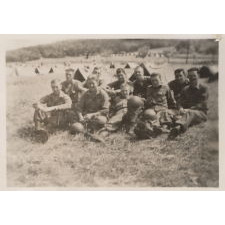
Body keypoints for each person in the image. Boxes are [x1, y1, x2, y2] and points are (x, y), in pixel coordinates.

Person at [168, 68, 209, 140]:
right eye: (189, 76)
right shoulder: (185, 89)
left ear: (198, 75)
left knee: (189, 113)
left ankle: (178, 128)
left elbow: (203, 104)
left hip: (201, 113)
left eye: (194, 75)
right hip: (187, 113)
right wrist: (180, 108)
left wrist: (189, 109)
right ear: (187, 77)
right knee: (170, 113)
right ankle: (171, 125)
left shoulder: (204, 88)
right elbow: (179, 102)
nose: (192, 78)